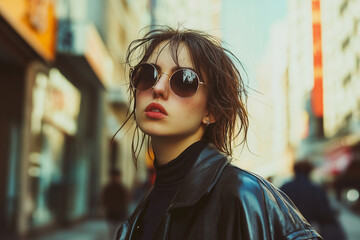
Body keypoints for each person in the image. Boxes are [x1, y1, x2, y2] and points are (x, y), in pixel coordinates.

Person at [114, 26, 322, 240]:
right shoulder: (138, 216)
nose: (157, 88)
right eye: (148, 75)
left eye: (183, 80)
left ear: (211, 111)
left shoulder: (247, 197)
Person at [280, 160, 347, 240]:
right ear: (309, 171)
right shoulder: (316, 189)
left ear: (294, 170)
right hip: (308, 232)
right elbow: (324, 213)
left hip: (288, 233)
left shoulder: (285, 188)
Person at [102, 169, 130, 240]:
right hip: (112, 212)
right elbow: (105, 199)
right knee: (112, 230)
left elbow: (125, 200)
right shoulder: (109, 188)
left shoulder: (121, 188)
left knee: (117, 230)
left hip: (119, 212)